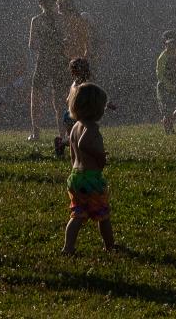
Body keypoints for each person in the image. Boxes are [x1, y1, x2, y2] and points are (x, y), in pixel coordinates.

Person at [61, 82, 117, 255]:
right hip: (91, 178)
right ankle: (110, 246)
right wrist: (100, 156)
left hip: (76, 176)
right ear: (96, 109)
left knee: (77, 214)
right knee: (103, 215)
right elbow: (83, 144)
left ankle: (68, 247)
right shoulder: (91, 126)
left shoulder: (75, 127)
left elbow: (72, 153)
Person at [27, 0, 66, 144]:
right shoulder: (61, 19)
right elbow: (67, 39)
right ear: (53, 2)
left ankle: (36, 133)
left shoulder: (36, 20)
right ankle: (62, 133)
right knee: (59, 99)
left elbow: (32, 44)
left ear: (40, 3)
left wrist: (45, 47)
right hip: (59, 61)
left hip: (43, 61)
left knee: (36, 97)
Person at [155, 31, 176, 135]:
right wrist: (169, 85)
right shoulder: (163, 57)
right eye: (170, 43)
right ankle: (169, 131)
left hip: (175, 86)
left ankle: (168, 123)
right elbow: (160, 75)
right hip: (164, 87)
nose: (173, 45)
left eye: (175, 43)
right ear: (165, 44)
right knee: (167, 111)